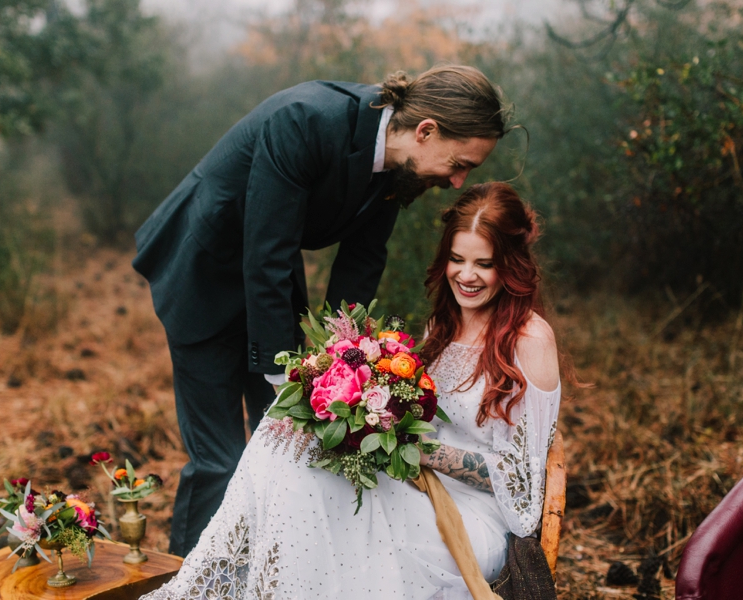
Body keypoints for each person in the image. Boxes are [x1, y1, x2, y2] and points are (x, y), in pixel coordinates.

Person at [132, 66, 510, 555]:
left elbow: (363, 260)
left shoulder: (399, 167)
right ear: (426, 130)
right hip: (201, 272)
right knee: (220, 459)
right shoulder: (305, 121)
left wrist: (340, 362)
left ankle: (261, 569)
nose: (458, 179)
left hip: (267, 285)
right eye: (461, 163)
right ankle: (189, 576)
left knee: (285, 450)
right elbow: (265, 252)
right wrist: (285, 375)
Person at [139, 181, 562, 599]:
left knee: (325, 498)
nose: (466, 276)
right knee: (290, 443)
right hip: (416, 483)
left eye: (483, 264)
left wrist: (413, 448)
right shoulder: (445, 324)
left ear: (510, 264)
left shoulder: (530, 340)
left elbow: (523, 481)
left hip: (473, 521)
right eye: (456, 259)